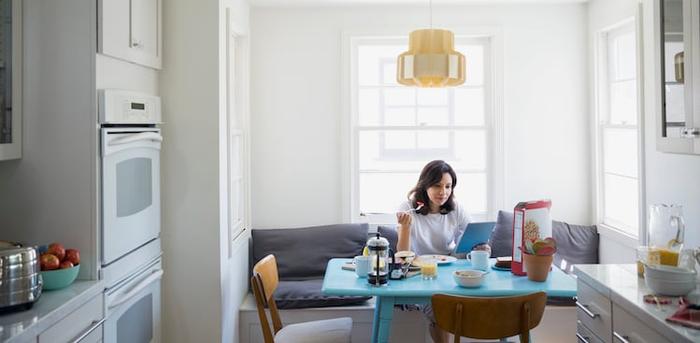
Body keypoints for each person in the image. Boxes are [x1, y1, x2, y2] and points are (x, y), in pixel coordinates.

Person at [396, 160, 490, 343]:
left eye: (448, 186)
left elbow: (470, 239)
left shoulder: (456, 209)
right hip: (418, 275)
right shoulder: (408, 209)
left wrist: (481, 247)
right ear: (425, 185)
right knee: (440, 309)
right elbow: (403, 255)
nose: (443, 192)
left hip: (449, 273)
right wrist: (405, 228)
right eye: (437, 186)